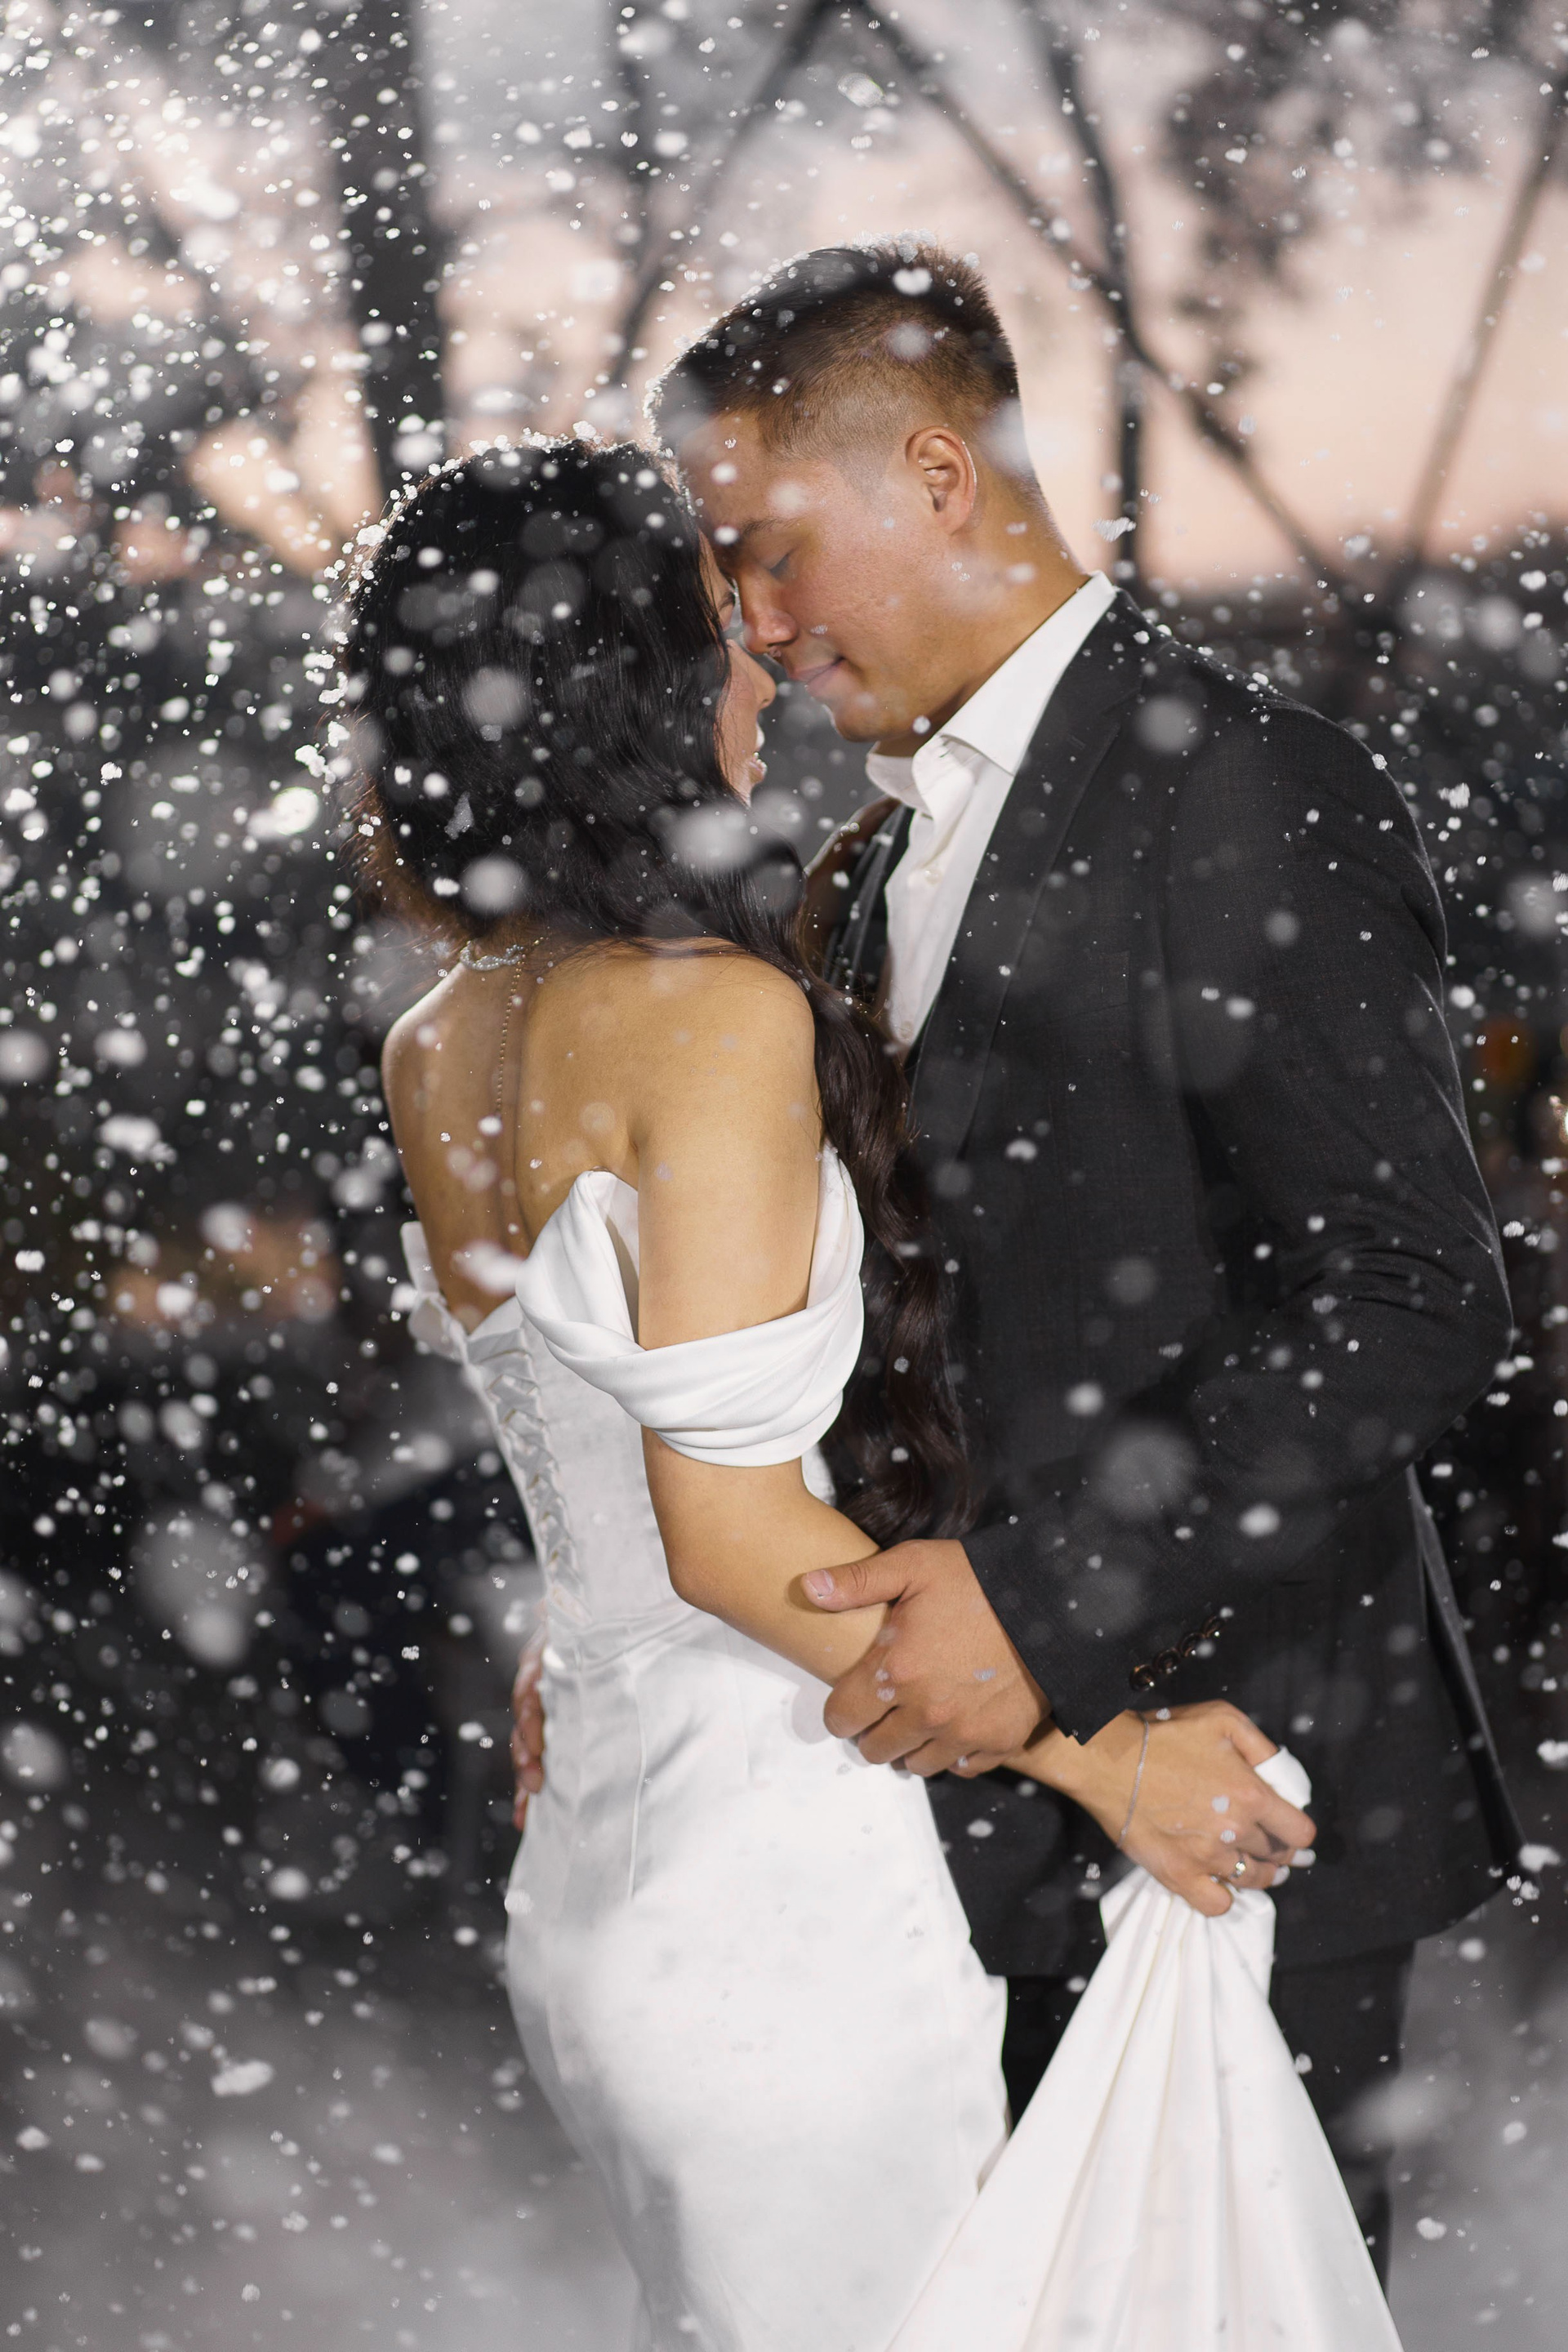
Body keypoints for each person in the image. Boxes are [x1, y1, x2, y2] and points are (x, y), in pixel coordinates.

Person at [516, 240, 1521, 2279]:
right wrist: (635, 1613)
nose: (753, 622)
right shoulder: (862, 867)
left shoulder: (1249, 788)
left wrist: (1047, 1608)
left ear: (939, 476)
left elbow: (1412, 1298)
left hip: (1234, 1789)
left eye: (772, 552)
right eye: (723, 578)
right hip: (946, 1816)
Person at [344, 441, 1330, 2349]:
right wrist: (1104, 1758)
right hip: (775, 1889)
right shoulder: (709, 1018)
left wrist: (572, 1631)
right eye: (719, 620)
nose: (761, 659)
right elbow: (725, 1539)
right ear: (634, 680)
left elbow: (593, 1466)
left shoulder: (439, 1036)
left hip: (603, 1875)